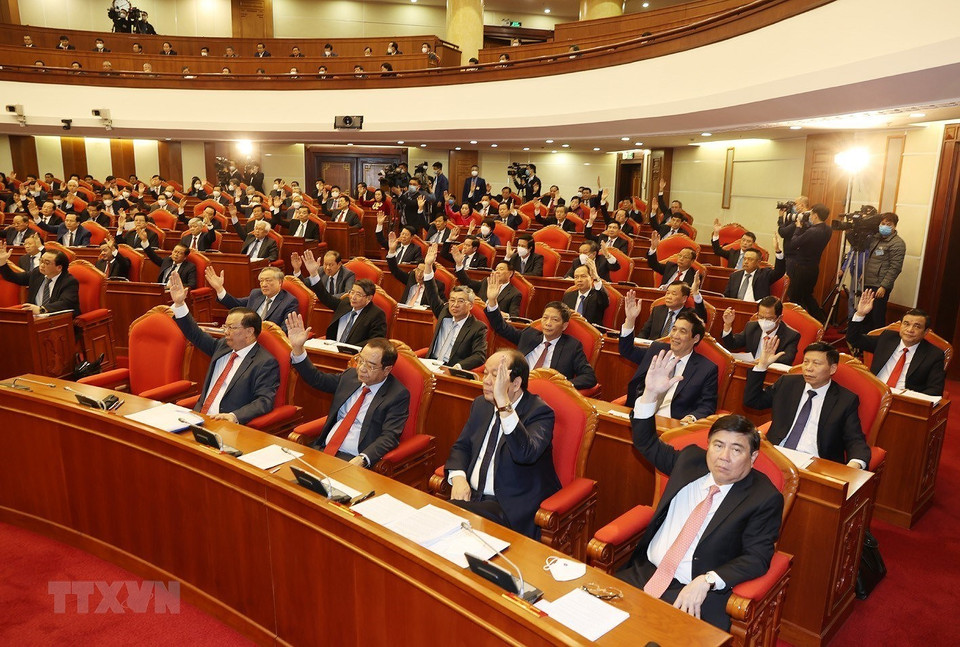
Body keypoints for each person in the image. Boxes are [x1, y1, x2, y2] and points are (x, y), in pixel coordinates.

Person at [619, 350, 783, 631]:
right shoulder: (690, 460)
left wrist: (708, 580)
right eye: (718, 445)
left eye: (737, 449)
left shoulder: (764, 497)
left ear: (753, 457)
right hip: (644, 572)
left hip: (695, 594)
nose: (724, 457)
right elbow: (645, 442)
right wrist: (649, 395)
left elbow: (757, 558)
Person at [444, 350, 561, 539]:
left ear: (515, 383)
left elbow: (525, 454)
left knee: (446, 518)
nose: (487, 381)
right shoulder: (481, 404)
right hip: (471, 496)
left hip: (508, 506)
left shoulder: (540, 413)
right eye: (486, 373)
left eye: (496, 376)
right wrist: (458, 477)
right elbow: (462, 446)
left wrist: (504, 404)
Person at [287, 313, 409, 467]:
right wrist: (298, 349)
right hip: (324, 449)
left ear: (387, 370)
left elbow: (390, 436)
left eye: (370, 365)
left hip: (353, 459)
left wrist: (363, 459)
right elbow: (317, 379)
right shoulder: (351, 376)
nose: (362, 369)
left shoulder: (397, 394)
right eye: (361, 360)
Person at [167, 272, 280, 425]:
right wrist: (180, 304)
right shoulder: (222, 346)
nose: (225, 332)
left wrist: (234, 416)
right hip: (198, 417)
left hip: (226, 424)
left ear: (249, 332)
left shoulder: (265, 362)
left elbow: (264, 401)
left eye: (231, 328)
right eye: (225, 326)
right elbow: (195, 334)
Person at [744, 339, 870, 468]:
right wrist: (762, 366)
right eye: (806, 362)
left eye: (816, 363)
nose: (808, 368)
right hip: (776, 455)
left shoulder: (845, 400)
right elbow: (753, 401)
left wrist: (855, 464)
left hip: (816, 463)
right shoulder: (787, 383)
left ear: (832, 369)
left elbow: (855, 439)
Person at [620, 297, 717, 418]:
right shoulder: (657, 350)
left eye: (682, 331)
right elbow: (626, 351)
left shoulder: (706, 368)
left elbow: (707, 405)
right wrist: (630, 320)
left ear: (695, 338)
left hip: (672, 424)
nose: (675, 336)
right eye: (674, 329)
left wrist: (692, 418)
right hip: (641, 414)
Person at [485, 285, 597, 390]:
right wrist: (492, 302)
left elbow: (589, 377)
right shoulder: (529, 335)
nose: (548, 323)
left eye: (555, 320)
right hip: (517, 387)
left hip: (546, 394)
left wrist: (563, 385)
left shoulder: (572, 346)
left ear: (564, 326)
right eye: (545, 318)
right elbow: (501, 327)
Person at [847, 290, 945, 396]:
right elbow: (854, 339)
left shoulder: (934, 355)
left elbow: (935, 390)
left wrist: (911, 397)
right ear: (901, 326)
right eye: (906, 324)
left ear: (925, 332)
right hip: (873, 392)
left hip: (902, 400)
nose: (910, 330)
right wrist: (860, 314)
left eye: (917, 326)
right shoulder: (887, 338)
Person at [300, 251, 387, 346]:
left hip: (354, 355)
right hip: (333, 349)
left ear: (369, 298)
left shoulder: (376, 314)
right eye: (352, 292)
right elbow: (325, 297)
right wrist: (314, 274)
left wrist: (348, 347)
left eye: (358, 294)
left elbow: (376, 341)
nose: (353, 297)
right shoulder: (346, 303)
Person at [421, 245, 488, 369]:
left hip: (451, 368)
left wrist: (458, 366)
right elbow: (431, 292)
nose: (454, 305)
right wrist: (428, 266)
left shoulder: (478, 327)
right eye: (452, 300)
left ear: (470, 305)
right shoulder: (444, 312)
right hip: (430, 364)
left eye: (460, 301)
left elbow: (480, 355)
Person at [779, 203, 832, 321]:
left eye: (811, 214)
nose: (810, 216)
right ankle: (821, 320)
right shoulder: (828, 229)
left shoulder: (812, 231)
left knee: (795, 297)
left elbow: (793, 243)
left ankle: (796, 322)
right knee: (807, 296)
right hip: (814, 268)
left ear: (815, 215)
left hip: (802, 268)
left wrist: (798, 227)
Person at [0, 245, 80, 316]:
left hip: (58, 320)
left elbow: (66, 303)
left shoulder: (69, 281)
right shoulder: (37, 273)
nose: (41, 265)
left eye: (46, 263)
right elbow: (14, 278)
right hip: (35, 318)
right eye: (41, 261)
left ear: (59, 267)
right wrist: (2, 262)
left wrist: (41, 309)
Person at [720, 296, 801, 365]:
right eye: (761, 317)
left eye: (769, 318)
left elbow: (787, 360)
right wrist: (727, 325)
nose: (764, 321)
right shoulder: (752, 327)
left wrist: (765, 361)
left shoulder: (791, 335)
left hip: (770, 374)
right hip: (750, 370)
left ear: (779, 318)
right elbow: (731, 345)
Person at [860, 213, 906, 330]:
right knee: (865, 315)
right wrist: (863, 274)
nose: (884, 226)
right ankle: (864, 343)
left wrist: (884, 286)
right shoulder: (876, 239)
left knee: (877, 316)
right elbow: (871, 258)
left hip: (880, 286)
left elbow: (895, 268)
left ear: (894, 227)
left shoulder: (898, 243)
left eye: (888, 224)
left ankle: (877, 344)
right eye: (883, 224)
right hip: (868, 282)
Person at [634, 278, 707, 340]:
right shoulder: (658, 310)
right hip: (653, 348)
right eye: (667, 293)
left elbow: (702, 317)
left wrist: (696, 294)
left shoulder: (689, 314)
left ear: (684, 299)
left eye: (674, 294)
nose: (668, 296)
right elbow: (644, 332)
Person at [454, 256, 521, 318]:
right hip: (475, 318)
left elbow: (513, 316)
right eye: (496, 269)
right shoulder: (486, 282)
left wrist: (496, 312)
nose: (497, 272)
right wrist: (459, 265)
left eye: (501, 269)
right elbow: (467, 282)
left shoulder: (514, 293)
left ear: (510, 273)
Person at [563, 261, 609, 327]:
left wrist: (596, 277)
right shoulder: (568, 296)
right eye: (576, 277)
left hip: (591, 333)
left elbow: (604, 301)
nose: (579, 280)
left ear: (592, 278)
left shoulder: (598, 295)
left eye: (583, 276)